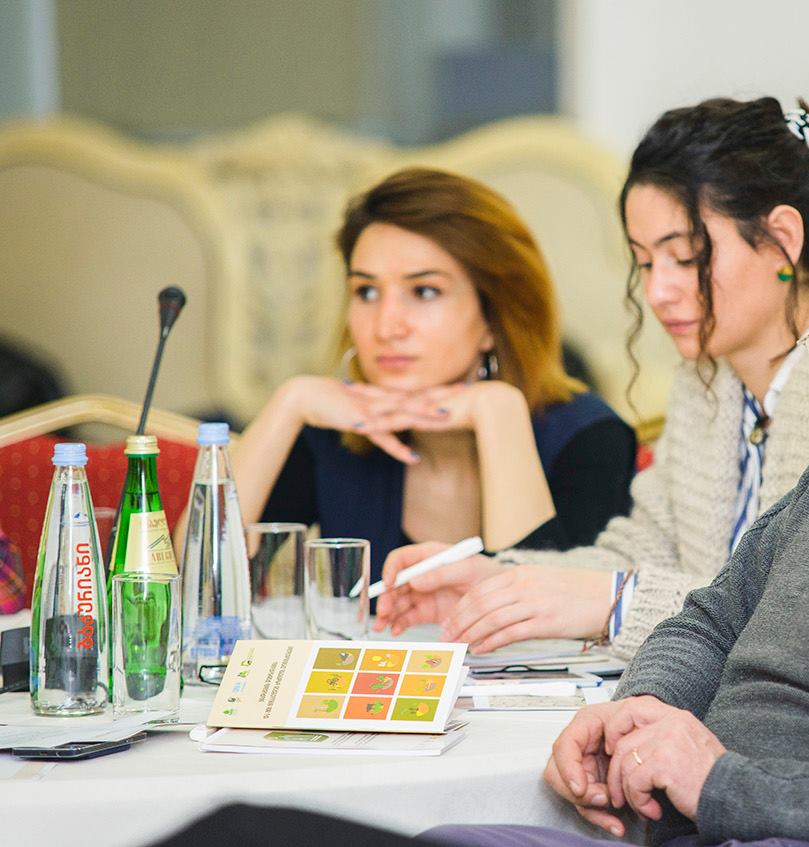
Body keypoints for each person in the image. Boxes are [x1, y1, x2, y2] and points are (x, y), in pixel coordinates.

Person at [146, 185, 809, 847]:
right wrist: (632, 711)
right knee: (240, 826)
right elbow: (710, 619)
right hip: (677, 830)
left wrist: (721, 780)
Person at [375, 97, 809, 657]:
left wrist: (617, 602)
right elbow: (641, 552)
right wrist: (500, 582)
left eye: (686, 257)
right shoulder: (707, 384)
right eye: (645, 262)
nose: (658, 291)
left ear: (782, 239)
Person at [235, 168, 637, 572]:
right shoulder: (331, 434)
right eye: (366, 291)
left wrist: (499, 416)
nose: (386, 327)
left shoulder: (591, 439)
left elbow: (542, 608)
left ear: (494, 317)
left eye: (425, 291)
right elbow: (207, 586)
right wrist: (289, 403)